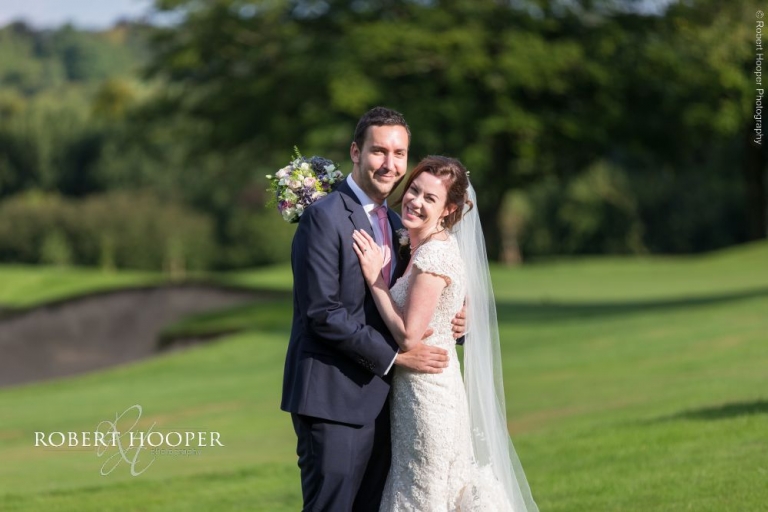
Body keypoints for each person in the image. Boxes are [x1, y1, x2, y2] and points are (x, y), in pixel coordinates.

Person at [280, 107, 466, 511]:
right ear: (355, 152)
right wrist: (397, 356)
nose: (390, 163)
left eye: (399, 154)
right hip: (334, 399)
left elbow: (414, 297)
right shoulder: (323, 218)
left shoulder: (404, 224)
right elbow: (323, 313)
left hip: (391, 405)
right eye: (379, 151)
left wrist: (455, 321)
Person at [352, 155, 539, 511]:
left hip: (427, 396)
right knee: (431, 488)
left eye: (429, 199)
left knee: (423, 492)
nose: (415, 201)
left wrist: (375, 280)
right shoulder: (423, 245)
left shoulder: (434, 256)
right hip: (423, 389)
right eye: (414, 190)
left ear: (448, 209)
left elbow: (409, 336)